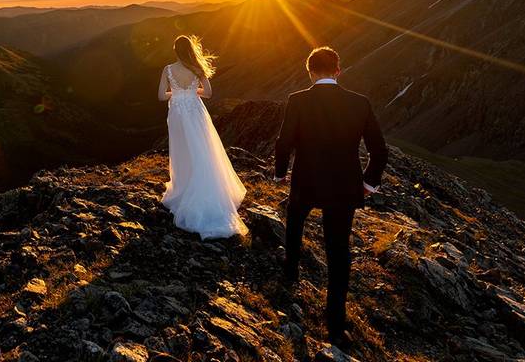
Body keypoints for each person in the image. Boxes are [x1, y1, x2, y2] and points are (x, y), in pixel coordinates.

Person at [273, 46, 387, 348]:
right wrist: (368, 184)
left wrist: (280, 173)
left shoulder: (297, 100)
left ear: (309, 71)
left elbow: (284, 142)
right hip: (343, 186)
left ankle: (290, 272)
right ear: (338, 70)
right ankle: (335, 322)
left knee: (295, 221)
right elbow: (379, 150)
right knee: (338, 250)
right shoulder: (359, 103)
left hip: (306, 180)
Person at [158, 35, 248, 239]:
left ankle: (183, 186)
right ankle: (206, 186)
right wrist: (191, 92)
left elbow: (161, 96)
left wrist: (177, 94)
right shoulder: (197, 68)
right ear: (190, 50)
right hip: (195, 111)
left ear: (175, 50)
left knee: (181, 150)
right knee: (202, 149)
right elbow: (208, 93)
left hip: (177, 114)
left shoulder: (168, 69)